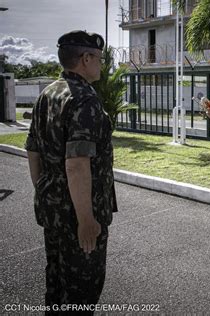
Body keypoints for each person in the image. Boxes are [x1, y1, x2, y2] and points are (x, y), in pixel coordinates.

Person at [25, 30, 117, 311]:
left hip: (53, 209)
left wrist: (46, 190)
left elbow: (32, 150)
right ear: (85, 59)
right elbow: (76, 165)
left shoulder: (48, 93)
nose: (102, 64)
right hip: (78, 214)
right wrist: (86, 220)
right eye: (99, 59)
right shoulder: (84, 100)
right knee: (81, 292)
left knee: (55, 282)